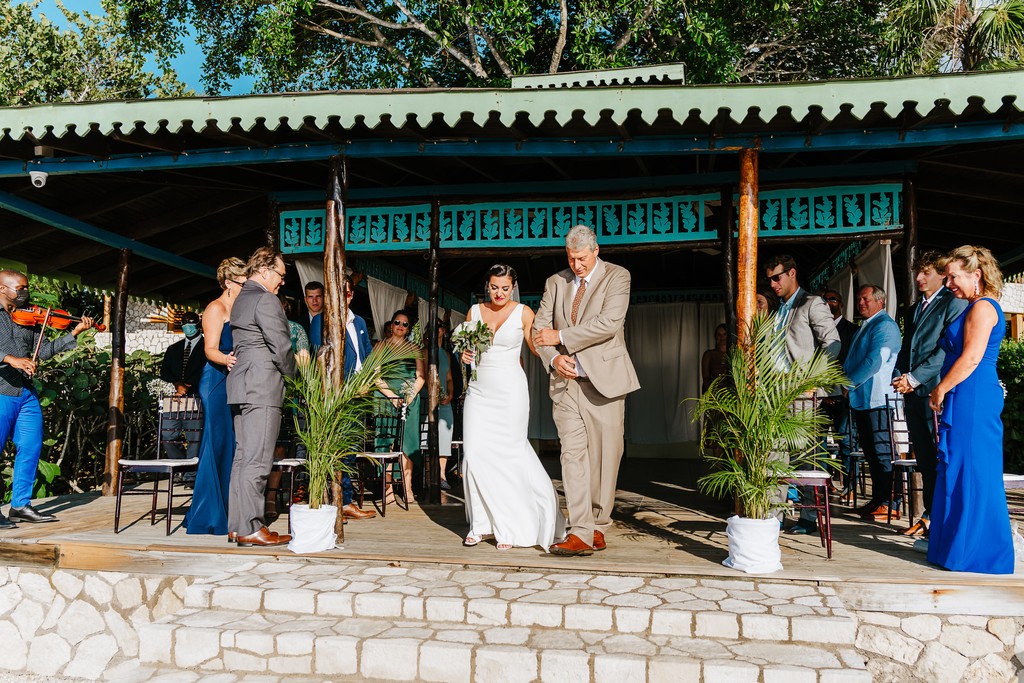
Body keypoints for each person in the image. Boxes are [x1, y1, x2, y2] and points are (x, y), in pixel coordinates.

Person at [533, 225, 641, 556]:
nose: (576, 265)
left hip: (605, 383)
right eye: (571, 258)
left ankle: (598, 525)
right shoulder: (555, 282)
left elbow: (609, 323)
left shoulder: (618, 277)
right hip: (565, 385)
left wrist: (561, 337)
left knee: (606, 458)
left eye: (582, 258)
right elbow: (539, 330)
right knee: (572, 456)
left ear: (596, 251)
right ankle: (579, 530)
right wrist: (553, 359)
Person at [461, 265, 565, 550]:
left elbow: (535, 346)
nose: (499, 293)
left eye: (505, 288)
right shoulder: (474, 311)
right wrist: (465, 353)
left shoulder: (524, 313)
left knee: (510, 454)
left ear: (513, 287)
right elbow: (468, 350)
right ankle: (480, 525)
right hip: (479, 391)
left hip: (510, 392)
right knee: (474, 454)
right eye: (494, 287)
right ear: (487, 285)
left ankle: (510, 525)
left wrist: (556, 352)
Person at [927, 245, 1013, 574]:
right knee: (958, 467)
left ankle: (977, 552)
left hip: (973, 395)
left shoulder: (983, 308)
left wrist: (941, 387)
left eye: (953, 277)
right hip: (966, 393)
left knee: (973, 470)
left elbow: (972, 357)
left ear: (976, 275)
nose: (948, 284)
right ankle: (954, 548)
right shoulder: (973, 306)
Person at [0, 270, 95, 527]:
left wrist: (74, 333)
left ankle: (20, 506)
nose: (25, 292)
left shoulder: (27, 316)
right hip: (1, 390)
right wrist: (10, 359)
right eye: (20, 288)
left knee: (31, 447)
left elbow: (42, 351)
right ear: (2, 289)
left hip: (25, 392)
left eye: (26, 287)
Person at [892, 252, 968, 537]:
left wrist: (914, 378)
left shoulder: (953, 303)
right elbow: (907, 347)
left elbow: (944, 351)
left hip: (935, 389)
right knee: (924, 457)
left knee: (939, 456)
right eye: (917, 273)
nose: (918, 278)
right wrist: (899, 376)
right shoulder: (913, 309)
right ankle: (930, 516)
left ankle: (940, 519)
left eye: (925, 272)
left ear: (941, 275)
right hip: (912, 391)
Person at [765, 254, 841, 536]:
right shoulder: (778, 310)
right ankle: (774, 517)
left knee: (807, 457)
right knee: (775, 456)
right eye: (769, 279)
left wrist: (813, 378)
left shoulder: (812, 302)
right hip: (776, 394)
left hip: (802, 393)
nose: (773, 284)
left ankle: (809, 517)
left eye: (776, 277)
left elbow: (832, 342)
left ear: (792, 273)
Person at [226, 248, 297, 547]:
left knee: (243, 457)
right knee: (257, 460)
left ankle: (237, 525)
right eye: (281, 274)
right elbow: (281, 347)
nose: (282, 281)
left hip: (241, 385)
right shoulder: (266, 299)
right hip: (261, 387)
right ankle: (252, 527)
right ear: (265, 271)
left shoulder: (241, 298)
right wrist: (296, 380)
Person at [183, 257, 246, 536]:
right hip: (216, 380)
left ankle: (230, 509)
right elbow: (209, 349)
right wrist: (227, 359)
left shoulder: (241, 307)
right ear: (229, 283)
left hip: (235, 379)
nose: (247, 288)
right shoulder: (215, 308)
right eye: (243, 283)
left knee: (232, 444)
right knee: (217, 443)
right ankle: (209, 514)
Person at [843, 285, 902, 521]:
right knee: (871, 452)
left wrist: (848, 383)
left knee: (882, 452)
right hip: (864, 399)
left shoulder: (884, 325)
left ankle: (891, 502)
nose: (861, 303)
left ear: (880, 301)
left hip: (878, 398)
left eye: (865, 299)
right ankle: (879, 499)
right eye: (858, 299)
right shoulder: (867, 325)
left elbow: (873, 361)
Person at [374, 309, 425, 503]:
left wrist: (410, 395)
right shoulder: (381, 346)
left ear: (409, 328)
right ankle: (387, 487)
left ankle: (407, 486)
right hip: (385, 396)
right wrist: (391, 396)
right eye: (397, 322)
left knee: (408, 441)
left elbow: (421, 376)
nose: (400, 326)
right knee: (385, 440)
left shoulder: (415, 348)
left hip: (409, 397)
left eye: (404, 324)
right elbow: (375, 375)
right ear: (391, 324)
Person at [338, 281, 376, 521]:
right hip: (339, 392)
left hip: (360, 393)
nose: (344, 296)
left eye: (347, 292)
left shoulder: (359, 321)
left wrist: (368, 380)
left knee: (351, 449)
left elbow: (367, 353)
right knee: (338, 449)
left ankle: (345, 501)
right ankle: (339, 502)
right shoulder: (324, 320)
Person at [821, 289, 858, 502]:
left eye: (832, 299)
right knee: (819, 443)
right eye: (824, 300)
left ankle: (850, 487)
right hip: (820, 395)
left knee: (846, 442)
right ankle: (824, 485)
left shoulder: (852, 330)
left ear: (841, 304)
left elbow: (854, 361)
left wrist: (845, 389)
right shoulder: (815, 329)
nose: (828, 302)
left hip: (843, 394)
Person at [158, 310, 205, 459]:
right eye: (184, 323)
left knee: (194, 438)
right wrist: (177, 383)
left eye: (190, 322)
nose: (187, 326)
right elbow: (164, 371)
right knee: (167, 434)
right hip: (175, 398)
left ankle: (192, 469)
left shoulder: (207, 347)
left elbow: (206, 370)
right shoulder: (174, 349)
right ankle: (179, 464)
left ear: (198, 324)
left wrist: (189, 385)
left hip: (197, 397)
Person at [701, 324, 728, 394]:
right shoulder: (708, 354)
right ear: (715, 337)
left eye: (724, 334)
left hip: (730, 395)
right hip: (713, 394)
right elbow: (706, 378)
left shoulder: (734, 354)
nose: (722, 337)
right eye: (719, 335)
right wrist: (714, 393)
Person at [302, 281, 324, 351]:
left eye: (318, 296)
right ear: (305, 299)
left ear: (324, 298)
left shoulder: (332, 321)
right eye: (311, 297)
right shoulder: (299, 323)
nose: (315, 300)